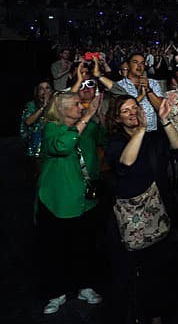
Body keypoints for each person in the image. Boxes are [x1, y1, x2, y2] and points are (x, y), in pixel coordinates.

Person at [105, 94, 178, 323]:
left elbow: (177, 145)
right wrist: (140, 130)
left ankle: (156, 314)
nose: (132, 114)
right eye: (126, 111)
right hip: (131, 218)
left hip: (157, 210)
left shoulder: (152, 138)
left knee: (158, 269)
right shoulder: (115, 142)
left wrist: (165, 120)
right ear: (118, 119)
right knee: (134, 272)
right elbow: (126, 162)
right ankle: (138, 314)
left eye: (135, 108)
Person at [36, 91, 104, 315]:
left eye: (81, 104)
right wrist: (86, 119)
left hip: (85, 200)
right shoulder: (51, 129)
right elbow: (62, 146)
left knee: (84, 246)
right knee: (55, 249)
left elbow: (102, 139)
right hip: (56, 202)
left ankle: (85, 286)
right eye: (76, 104)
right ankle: (56, 293)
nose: (81, 107)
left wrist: (99, 116)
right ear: (62, 110)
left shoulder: (89, 128)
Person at [116, 53, 166, 132]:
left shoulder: (153, 83)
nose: (139, 66)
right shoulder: (119, 86)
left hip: (151, 131)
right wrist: (141, 96)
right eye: (135, 62)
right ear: (128, 65)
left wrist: (148, 89)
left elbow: (161, 108)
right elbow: (119, 110)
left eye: (142, 63)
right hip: (129, 134)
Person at [21, 80, 52, 157]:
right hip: (36, 145)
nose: (44, 91)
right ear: (37, 92)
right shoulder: (31, 105)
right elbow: (28, 122)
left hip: (51, 144)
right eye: (41, 88)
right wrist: (43, 107)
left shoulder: (56, 104)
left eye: (47, 88)